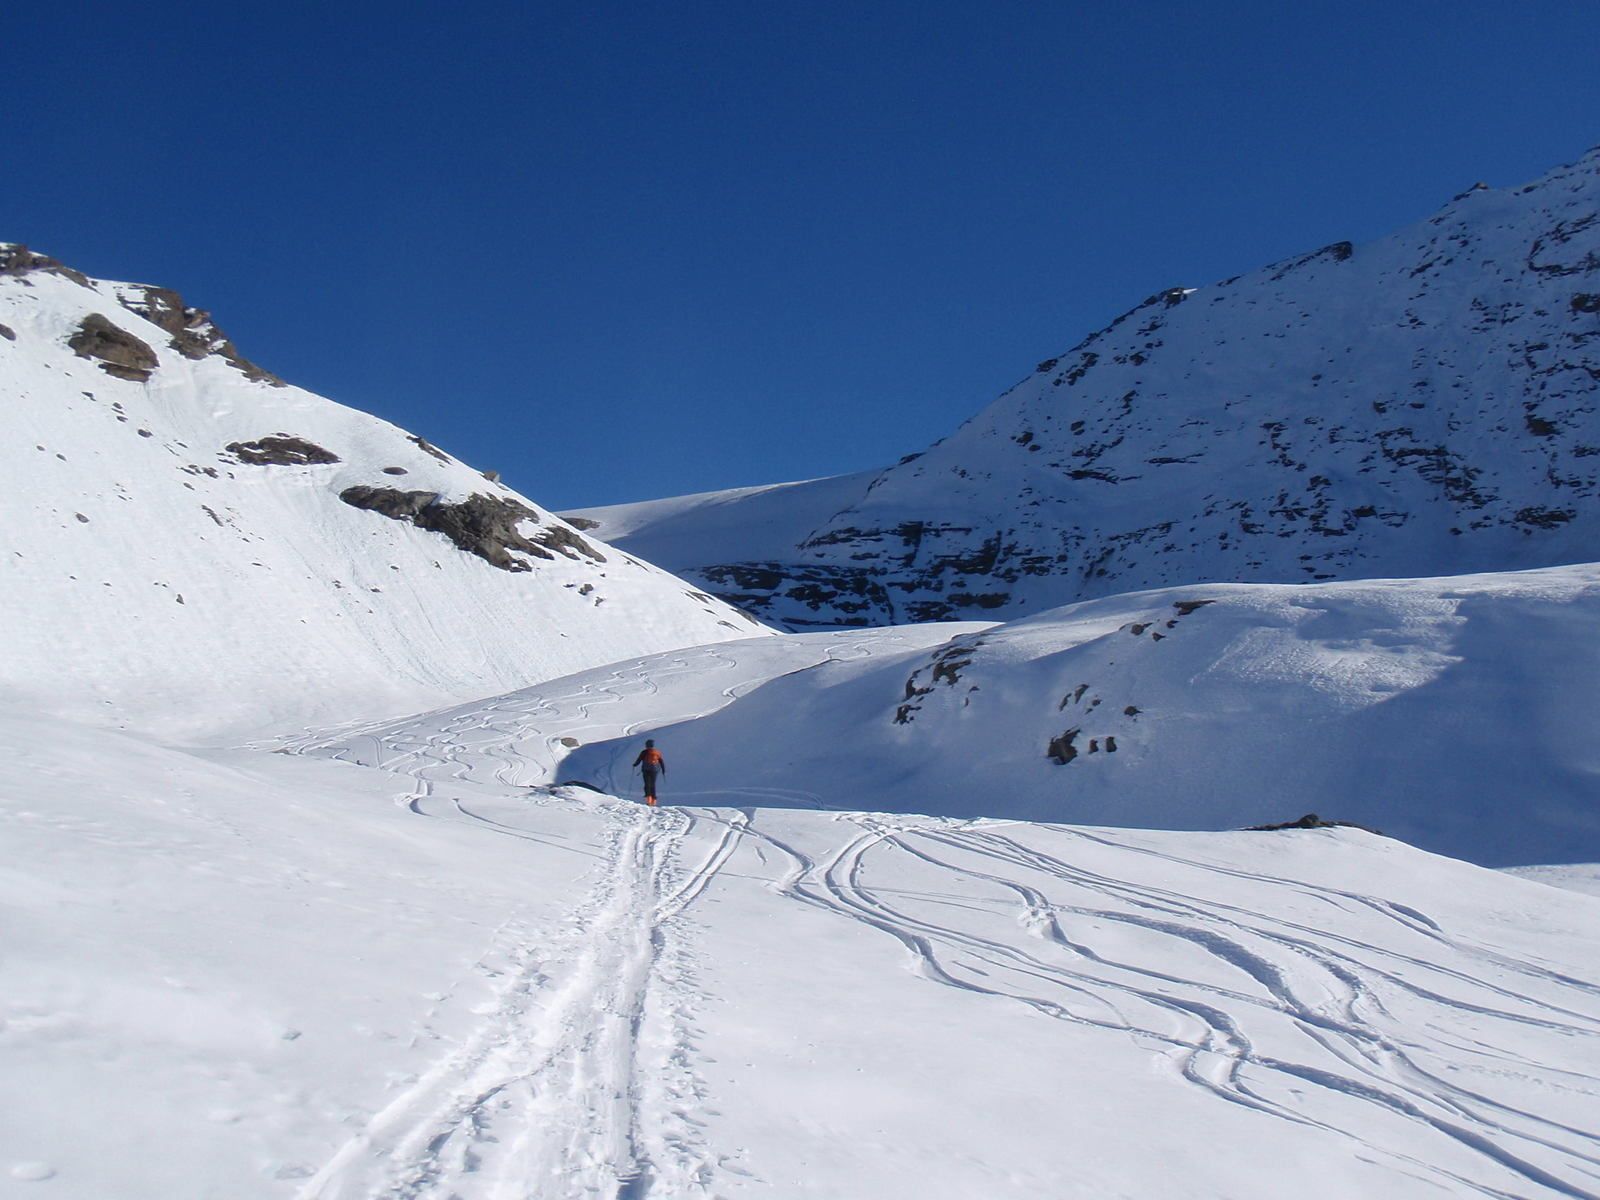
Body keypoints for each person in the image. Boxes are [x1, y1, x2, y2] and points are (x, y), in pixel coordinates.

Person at [632, 739, 665, 806]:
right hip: (655, 770)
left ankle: (648, 800)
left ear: (646, 745)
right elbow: (661, 761)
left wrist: (634, 765)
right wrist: (663, 770)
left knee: (647, 784)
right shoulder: (657, 752)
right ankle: (654, 801)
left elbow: (639, 760)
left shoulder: (644, 752)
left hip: (646, 770)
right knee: (653, 785)